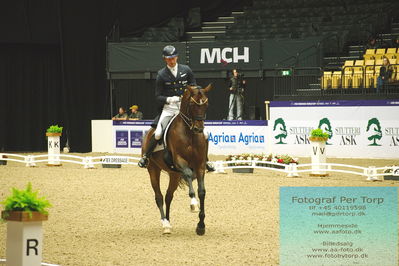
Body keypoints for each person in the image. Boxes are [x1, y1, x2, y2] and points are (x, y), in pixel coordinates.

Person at [137, 45, 214, 171]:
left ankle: (205, 160)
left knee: (205, 134)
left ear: (177, 57)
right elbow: (158, 97)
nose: (171, 61)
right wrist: (169, 99)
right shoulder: (161, 75)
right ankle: (146, 156)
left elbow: (193, 86)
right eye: (168, 59)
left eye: (173, 58)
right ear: (165, 59)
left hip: (186, 108)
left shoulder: (186, 70)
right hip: (170, 108)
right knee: (158, 133)